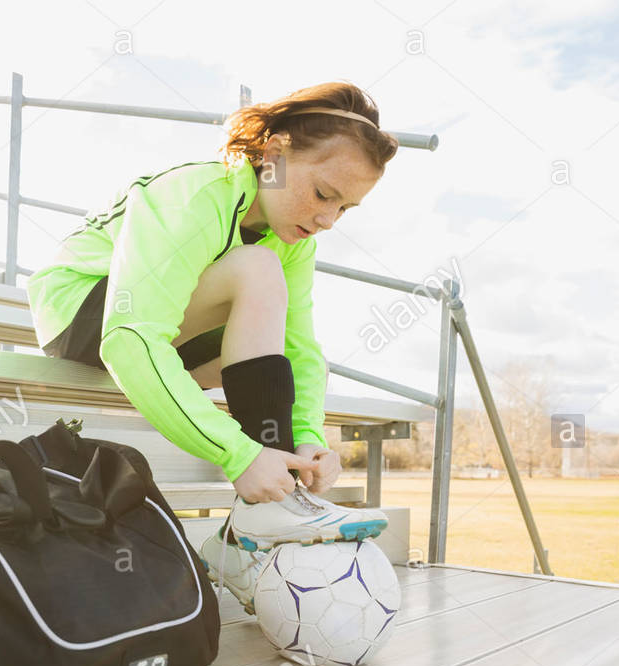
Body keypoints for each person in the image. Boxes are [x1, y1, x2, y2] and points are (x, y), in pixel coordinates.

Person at [26, 81, 398, 610]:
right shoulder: (195, 195)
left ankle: (242, 534)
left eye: (345, 208)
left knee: (269, 293)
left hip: (169, 325)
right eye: (322, 194)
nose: (326, 221)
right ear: (275, 158)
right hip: (84, 313)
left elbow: (301, 350)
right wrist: (238, 454)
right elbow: (130, 339)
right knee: (256, 268)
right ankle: (263, 502)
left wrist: (307, 440)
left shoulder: (289, 236)